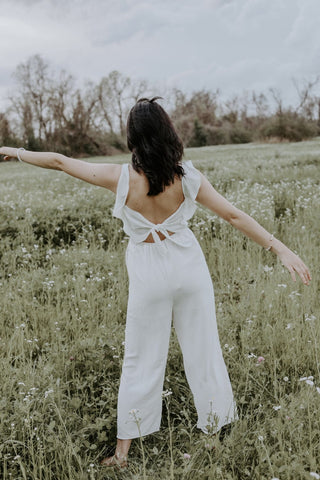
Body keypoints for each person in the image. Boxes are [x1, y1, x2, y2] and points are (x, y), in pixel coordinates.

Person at [0, 97, 311, 469]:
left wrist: (14, 151)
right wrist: (279, 249)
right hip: (188, 267)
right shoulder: (188, 176)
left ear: (132, 138)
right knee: (203, 350)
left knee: (140, 359)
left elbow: (59, 162)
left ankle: (122, 453)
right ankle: (212, 436)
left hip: (149, 275)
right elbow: (232, 215)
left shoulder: (121, 178)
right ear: (169, 132)